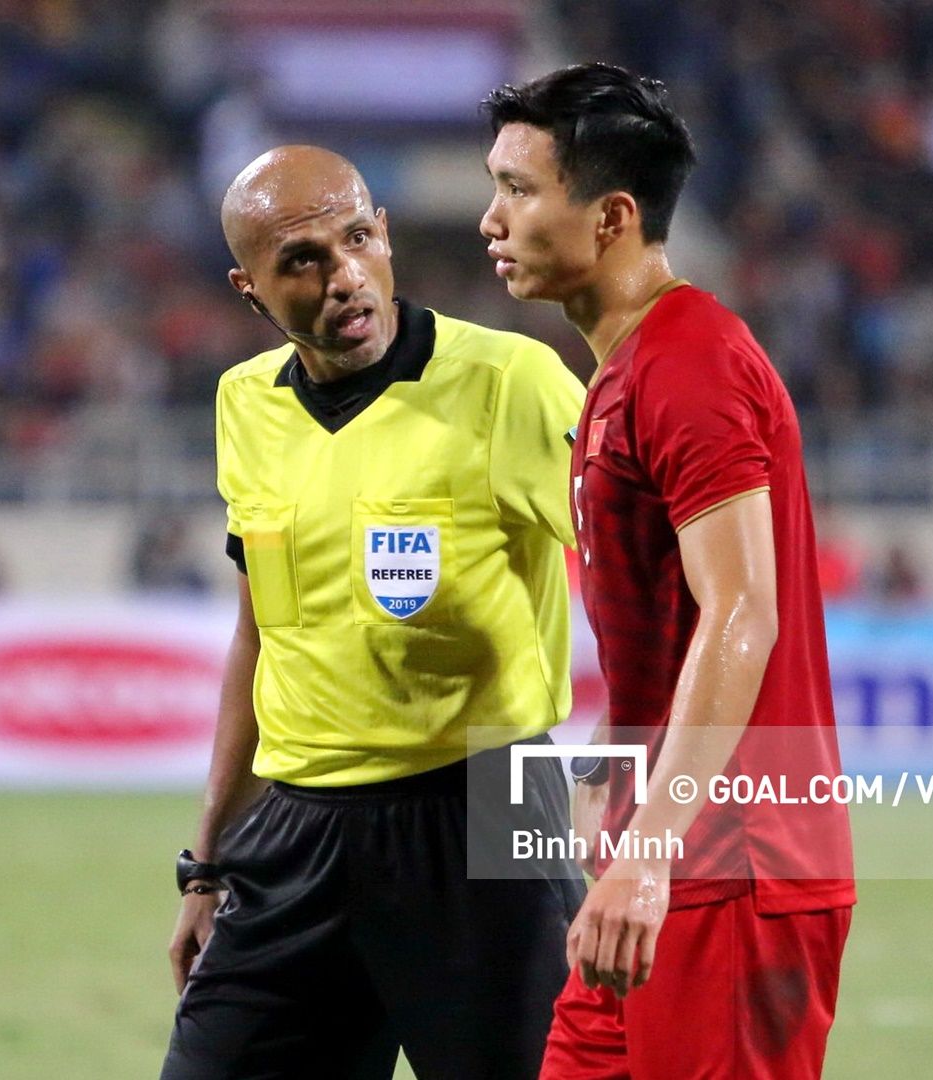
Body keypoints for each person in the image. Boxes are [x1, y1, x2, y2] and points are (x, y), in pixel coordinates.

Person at [161, 145, 588, 1080]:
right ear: (250, 289)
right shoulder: (245, 405)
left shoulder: (512, 384)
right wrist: (208, 861)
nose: (344, 275)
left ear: (385, 234)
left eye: (357, 238)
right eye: (302, 260)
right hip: (296, 827)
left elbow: (648, 582)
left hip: (484, 808)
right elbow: (260, 636)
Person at [480, 64, 856, 1078]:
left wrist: (649, 851)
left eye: (519, 189)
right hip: (665, 854)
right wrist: (616, 757)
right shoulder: (624, 373)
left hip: (738, 867)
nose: (491, 218)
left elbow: (744, 612)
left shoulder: (690, 359)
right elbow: (684, 619)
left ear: (611, 216)